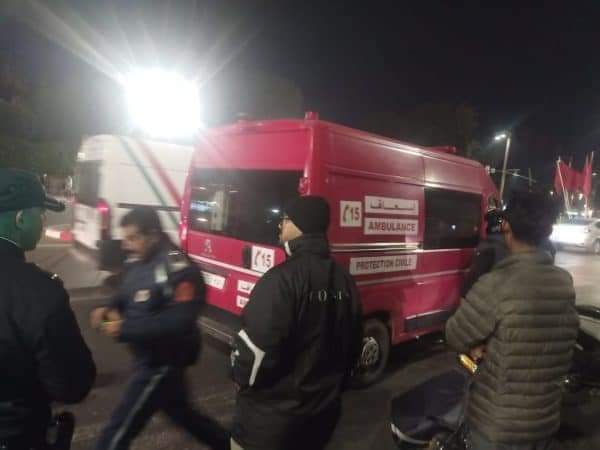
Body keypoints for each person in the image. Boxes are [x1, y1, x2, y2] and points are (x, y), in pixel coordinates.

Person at [445, 190, 579, 450]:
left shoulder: (496, 284)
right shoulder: (564, 283)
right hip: (544, 422)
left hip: (498, 428)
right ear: (547, 231)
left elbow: (455, 334)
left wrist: (478, 346)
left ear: (506, 225)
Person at [90, 207, 229, 450]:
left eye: (133, 238)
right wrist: (108, 307)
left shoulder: (179, 269)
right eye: (125, 238)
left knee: (117, 431)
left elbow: (180, 321)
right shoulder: (138, 260)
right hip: (145, 358)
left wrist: (125, 329)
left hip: (161, 363)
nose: (126, 245)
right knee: (188, 418)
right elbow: (126, 291)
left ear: (153, 235)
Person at [231, 196, 363, 450]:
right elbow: (354, 345)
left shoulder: (281, 280)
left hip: (271, 425)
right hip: (322, 418)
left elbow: (256, 351)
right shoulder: (345, 280)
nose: (280, 225)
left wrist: (239, 377)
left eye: (285, 219)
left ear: (301, 224)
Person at [0, 168, 96, 449]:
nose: (44, 221)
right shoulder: (39, 292)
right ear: (20, 219)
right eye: (40, 213)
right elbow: (72, 384)